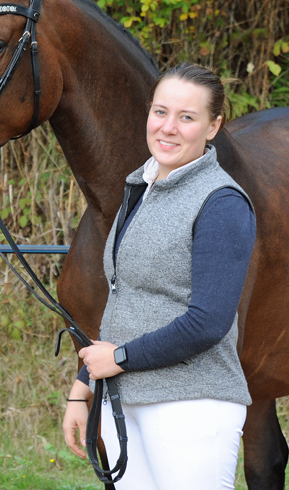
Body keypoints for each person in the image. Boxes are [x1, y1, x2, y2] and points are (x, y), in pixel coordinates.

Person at [61, 63, 256, 489]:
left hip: (192, 405)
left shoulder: (221, 202)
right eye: (160, 112)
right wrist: (84, 386)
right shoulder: (140, 187)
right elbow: (125, 302)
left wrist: (119, 360)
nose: (168, 128)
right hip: (123, 400)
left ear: (212, 126)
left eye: (187, 117)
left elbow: (207, 322)